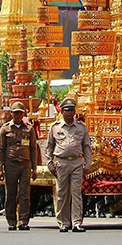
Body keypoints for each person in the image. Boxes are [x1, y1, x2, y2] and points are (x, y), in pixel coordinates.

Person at [46, 97, 92, 232]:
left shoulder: (81, 127)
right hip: (61, 162)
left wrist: (88, 163)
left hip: (77, 162)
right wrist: (50, 163)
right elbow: (49, 147)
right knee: (62, 193)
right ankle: (63, 223)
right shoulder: (55, 127)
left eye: (72, 110)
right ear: (62, 111)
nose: (69, 113)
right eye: (67, 110)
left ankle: (76, 222)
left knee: (76, 193)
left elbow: (87, 146)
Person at [0, 101, 41, 230]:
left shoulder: (29, 129)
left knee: (24, 193)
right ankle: (11, 219)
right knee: (11, 193)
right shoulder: (5, 129)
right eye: (15, 113)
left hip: (25, 164)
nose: (18, 116)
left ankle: (23, 220)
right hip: (11, 164)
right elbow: (1, 149)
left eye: (20, 113)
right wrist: (0, 169)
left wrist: (34, 168)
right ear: (11, 113)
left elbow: (33, 149)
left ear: (24, 114)